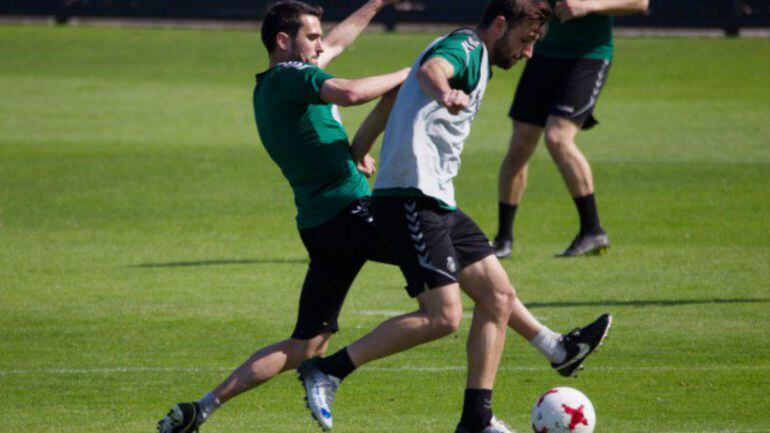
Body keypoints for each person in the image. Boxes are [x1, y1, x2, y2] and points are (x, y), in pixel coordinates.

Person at [298, 1, 611, 432]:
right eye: (525, 41)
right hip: (410, 198)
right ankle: (328, 369)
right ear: (500, 25)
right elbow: (431, 73)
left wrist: (359, 146)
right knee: (443, 316)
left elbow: (397, 95)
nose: (528, 54)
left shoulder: (472, 52)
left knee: (498, 298)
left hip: (436, 198)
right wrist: (445, 91)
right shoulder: (465, 46)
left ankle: (489, 409)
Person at [156, 1, 408, 432]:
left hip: (320, 225)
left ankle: (202, 408)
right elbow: (350, 94)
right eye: (311, 37)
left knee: (305, 343)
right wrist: (416, 70)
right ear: (282, 41)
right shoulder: (294, 75)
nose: (320, 44)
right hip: (348, 213)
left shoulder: (274, 84)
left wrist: (377, 3)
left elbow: (339, 42)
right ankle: (544, 350)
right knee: (459, 269)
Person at [493, 0, 649, 258]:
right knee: (520, 143)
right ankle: (503, 240)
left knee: (557, 138)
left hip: (588, 56)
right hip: (543, 55)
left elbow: (640, 3)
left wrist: (589, 5)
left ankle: (592, 230)